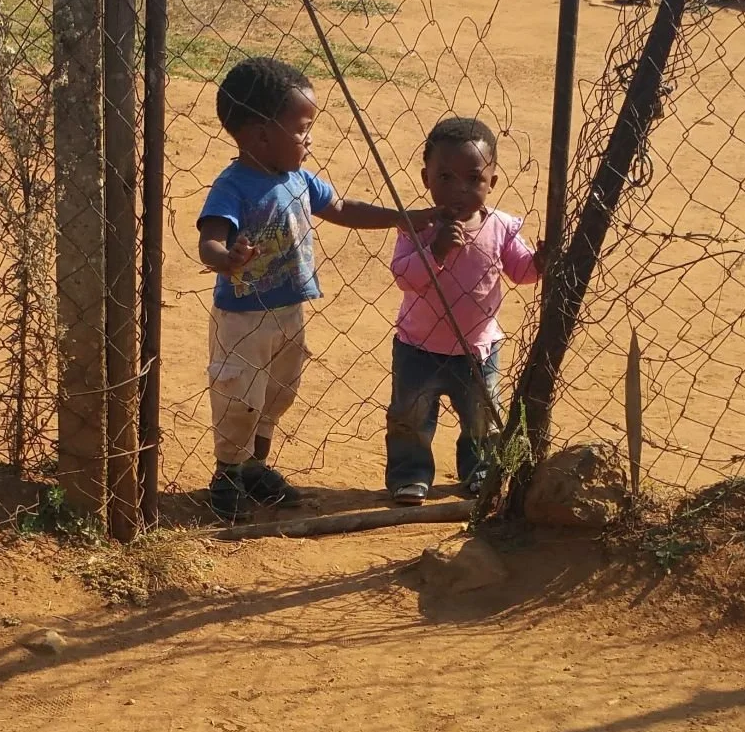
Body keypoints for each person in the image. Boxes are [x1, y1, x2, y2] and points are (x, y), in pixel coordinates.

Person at [197, 56, 435, 523]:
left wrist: (398, 217)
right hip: (243, 319)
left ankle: (254, 468)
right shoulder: (234, 186)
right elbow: (210, 238)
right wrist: (227, 259)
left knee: (277, 393)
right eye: (302, 127)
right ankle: (227, 474)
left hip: (289, 311)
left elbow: (342, 207)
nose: (309, 138)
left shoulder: (299, 179)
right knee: (239, 396)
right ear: (261, 135)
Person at [386, 115, 541, 505]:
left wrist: (542, 260)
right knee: (411, 418)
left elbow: (520, 271)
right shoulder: (416, 226)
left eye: (473, 179)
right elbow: (404, 277)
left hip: (478, 349)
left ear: (492, 182)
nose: (459, 189)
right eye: (445, 178)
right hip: (417, 347)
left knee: (481, 419)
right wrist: (434, 249)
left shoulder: (501, 226)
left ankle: (479, 472)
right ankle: (410, 476)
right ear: (426, 178)